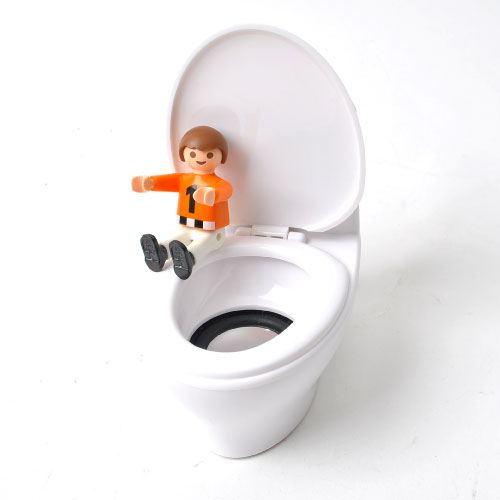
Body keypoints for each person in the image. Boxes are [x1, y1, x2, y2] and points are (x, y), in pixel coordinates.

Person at [132, 126, 232, 279]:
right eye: (192, 153)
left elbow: (227, 190)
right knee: (178, 238)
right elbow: (167, 181)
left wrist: (213, 194)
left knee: (203, 242)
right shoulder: (184, 179)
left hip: (211, 231)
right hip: (187, 225)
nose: (200, 158)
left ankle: (189, 258)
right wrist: (151, 182)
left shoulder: (217, 183)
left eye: (210, 154)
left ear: (221, 156)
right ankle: (161, 251)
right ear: (183, 154)